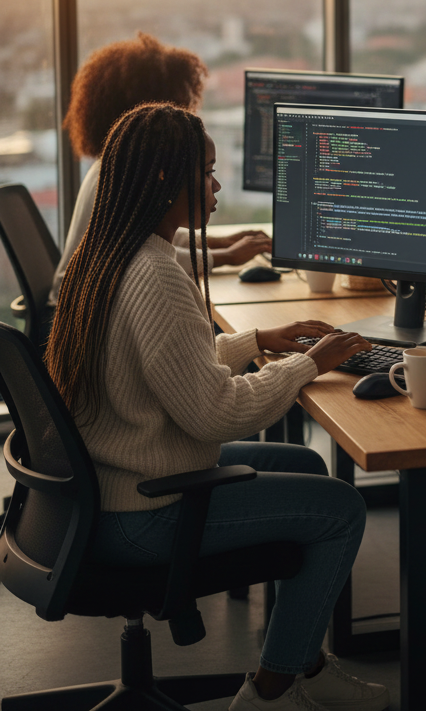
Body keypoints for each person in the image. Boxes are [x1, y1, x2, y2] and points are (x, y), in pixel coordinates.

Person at [44, 103, 388, 711]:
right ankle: (271, 693)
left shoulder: (107, 252)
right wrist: (310, 363)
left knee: (307, 469)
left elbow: (162, 366)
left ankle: (303, 661)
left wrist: (256, 342)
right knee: (340, 508)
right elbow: (214, 413)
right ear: (161, 181)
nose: (217, 185)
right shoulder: (154, 274)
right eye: (205, 172)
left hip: (106, 487)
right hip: (142, 510)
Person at [49, 32, 271, 305]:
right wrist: (225, 257)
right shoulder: (114, 177)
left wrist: (222, 242)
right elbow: (137, 254)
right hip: (76, 308)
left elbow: (151, 232)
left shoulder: (114, 166)